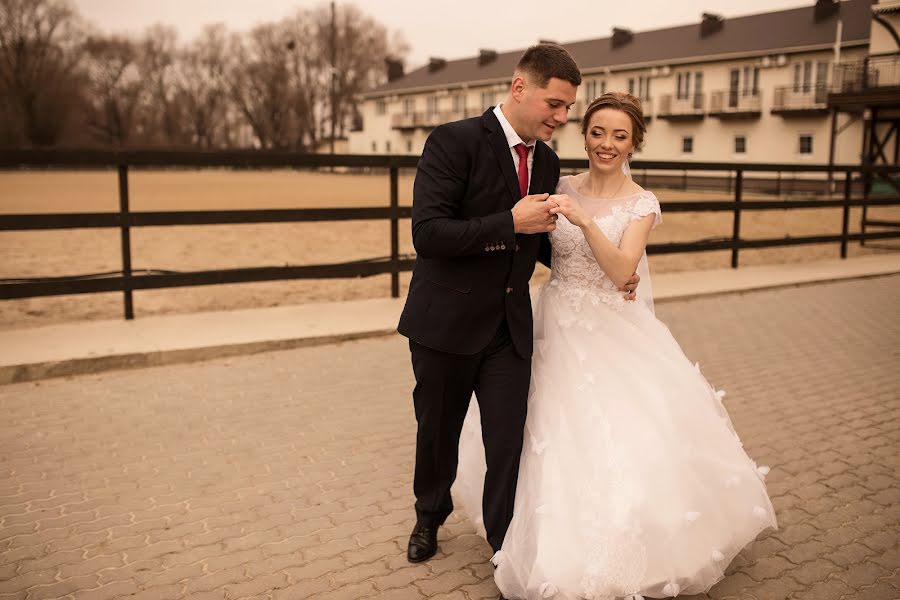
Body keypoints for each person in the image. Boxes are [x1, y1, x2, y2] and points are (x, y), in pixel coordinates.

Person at [453, 92, 778, 599]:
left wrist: (583, 221)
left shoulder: (641, 202)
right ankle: (528, 533)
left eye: (619, 136)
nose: (606, 144)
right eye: (597, 132)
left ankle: (621, 543)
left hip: (610, 329)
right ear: (584, 134)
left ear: (634, 143)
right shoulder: (556, 183)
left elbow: (623, 270)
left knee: (620, 431)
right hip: (554, 320)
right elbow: (531, 244)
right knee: (539, 426)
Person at [398, 44, 641, 565]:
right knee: (437, 431)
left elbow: (552, 243)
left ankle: (504, 544)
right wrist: (509, 223)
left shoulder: (549, 162)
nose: (561, 118)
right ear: (519, 87)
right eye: (554, 104)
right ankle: (428, 517)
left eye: (568, 109)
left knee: (508, 442)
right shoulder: (454, 142)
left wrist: (609, 272)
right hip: (446, 322)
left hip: (510, 329)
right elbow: (429, 234)